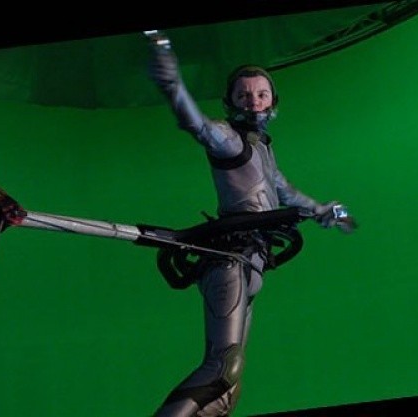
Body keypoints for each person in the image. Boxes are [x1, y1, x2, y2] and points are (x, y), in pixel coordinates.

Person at [144, 31, 354, 417]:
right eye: (244, 95)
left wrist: (330, 211)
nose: (253, 102)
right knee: (222, 369)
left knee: (226, 393)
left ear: (273, 101)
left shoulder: (263, 149)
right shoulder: (228, 139)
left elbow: (286, 193)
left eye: (261, 94)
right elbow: (196, 124)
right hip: (230, 259)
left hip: (252, 262)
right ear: (231, 102)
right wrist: (168, 73)